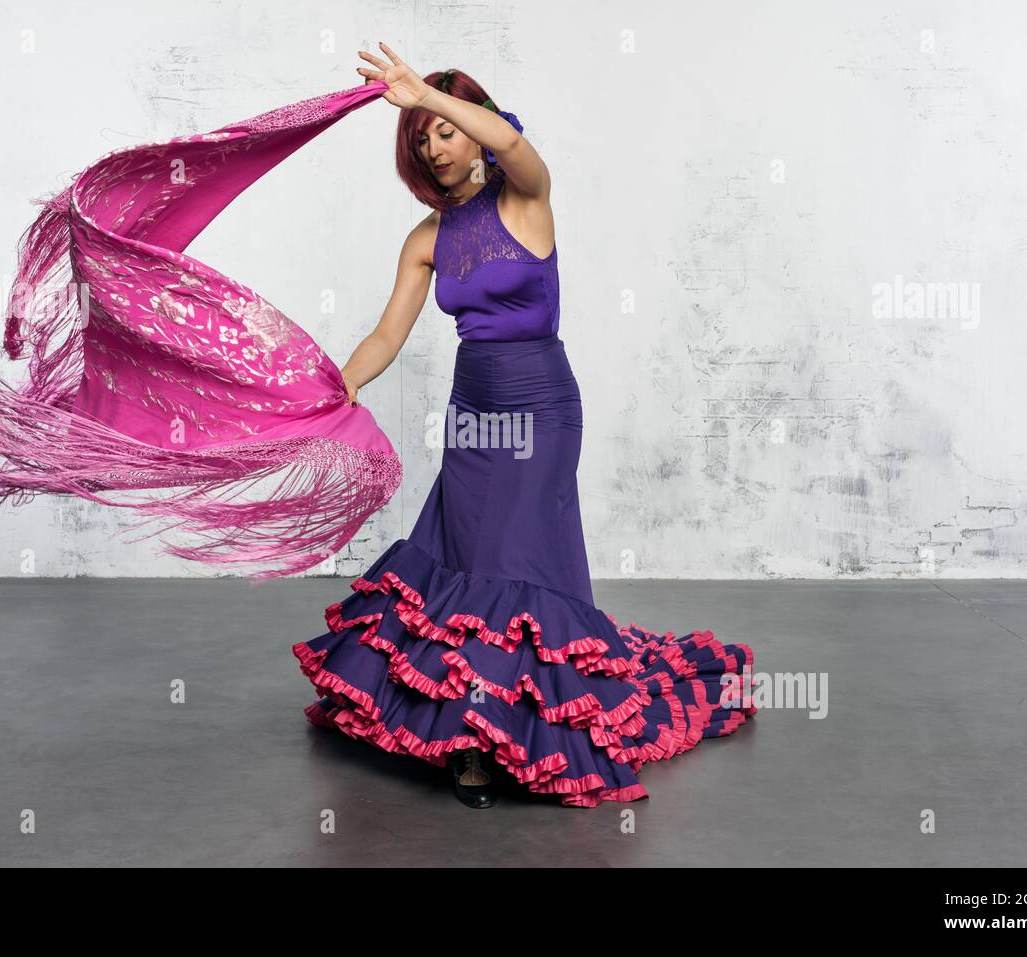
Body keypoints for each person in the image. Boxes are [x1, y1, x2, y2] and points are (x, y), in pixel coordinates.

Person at [292, 43, 756, 808]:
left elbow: (512, 144)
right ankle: (471, 737)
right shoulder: (427, 239)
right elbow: (385, 337)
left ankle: (501, 731)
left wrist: (423, 93)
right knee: (470, 561)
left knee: (517, 563)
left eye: (443, 130)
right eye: (420, 139)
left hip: (541, 407)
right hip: (472, 412)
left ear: (470, 126)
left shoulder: (526, 199)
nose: (434, 146)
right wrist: (335, 387)